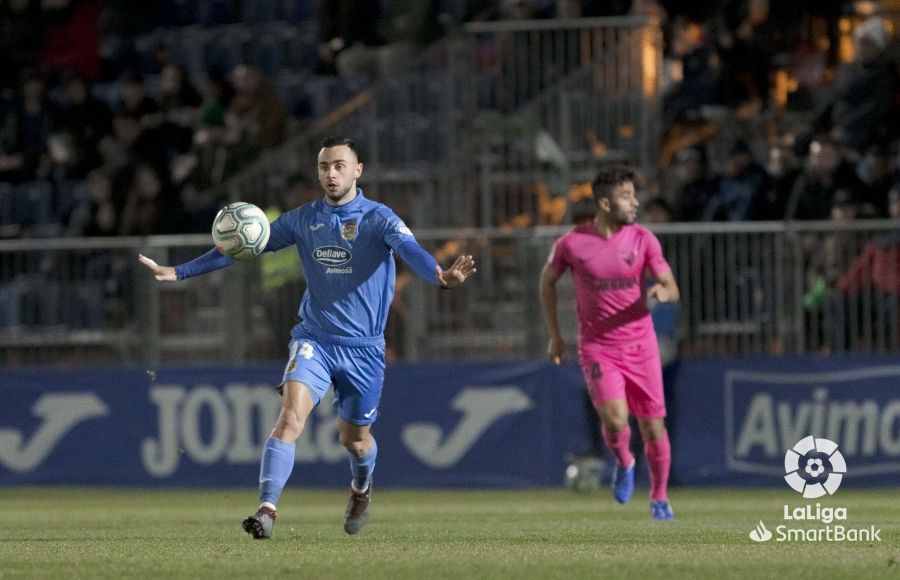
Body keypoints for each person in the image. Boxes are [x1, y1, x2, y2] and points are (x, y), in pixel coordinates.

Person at [138, 136, 477, 538]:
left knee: (354, 441)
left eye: (339, 166)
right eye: (324, 167)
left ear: (357, 171)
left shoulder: (378, 218)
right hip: (314, 339)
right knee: (289, 418)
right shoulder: (303, 219)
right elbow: (242, 245)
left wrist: (439, 276)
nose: (331, 174)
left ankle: (361, 487)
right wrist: (179, 271)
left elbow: (411, 250)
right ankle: (266, 510)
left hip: (365, 350)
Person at [539, 165, 680, 521]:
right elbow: (547, 281)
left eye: (634, 195)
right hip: (599, 347)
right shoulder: (573, 244)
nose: (635, 203)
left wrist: (663, 292)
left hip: (642, 346)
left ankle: (659, 497)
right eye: (626, 196)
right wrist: (555, 335)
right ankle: (624, 461)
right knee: (616, 421)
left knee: (653, 427)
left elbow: (670, 285)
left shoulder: (644, 239)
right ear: (605, 203)